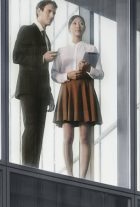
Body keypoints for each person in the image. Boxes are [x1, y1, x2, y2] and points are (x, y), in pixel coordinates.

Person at [52, 15, 104, 178]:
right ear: (69, 28)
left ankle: (82, 176)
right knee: (68, 136)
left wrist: (88, 68)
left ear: (84, 28)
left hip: (85, 90)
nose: (78, 26)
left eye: (81, 23)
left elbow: (100, 73)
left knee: (84, 137)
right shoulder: (62, 50)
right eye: (74, 23)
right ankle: (69, 173)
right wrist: (68, 75)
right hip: (68, 90)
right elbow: (54, 74)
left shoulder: (91, 49)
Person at [13, 1, 58, 167]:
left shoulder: (46, 39)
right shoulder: (27, 30)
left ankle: (33, 169)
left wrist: (49, 95)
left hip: (41, 92)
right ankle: (27, 167)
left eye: (54, 13)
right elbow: (16, 57)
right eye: (49, 11)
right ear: (39, 11)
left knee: (39, 132)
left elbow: (44, 72)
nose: (52, 16)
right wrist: (41, 58)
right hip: (28, 89)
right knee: (31, 128)